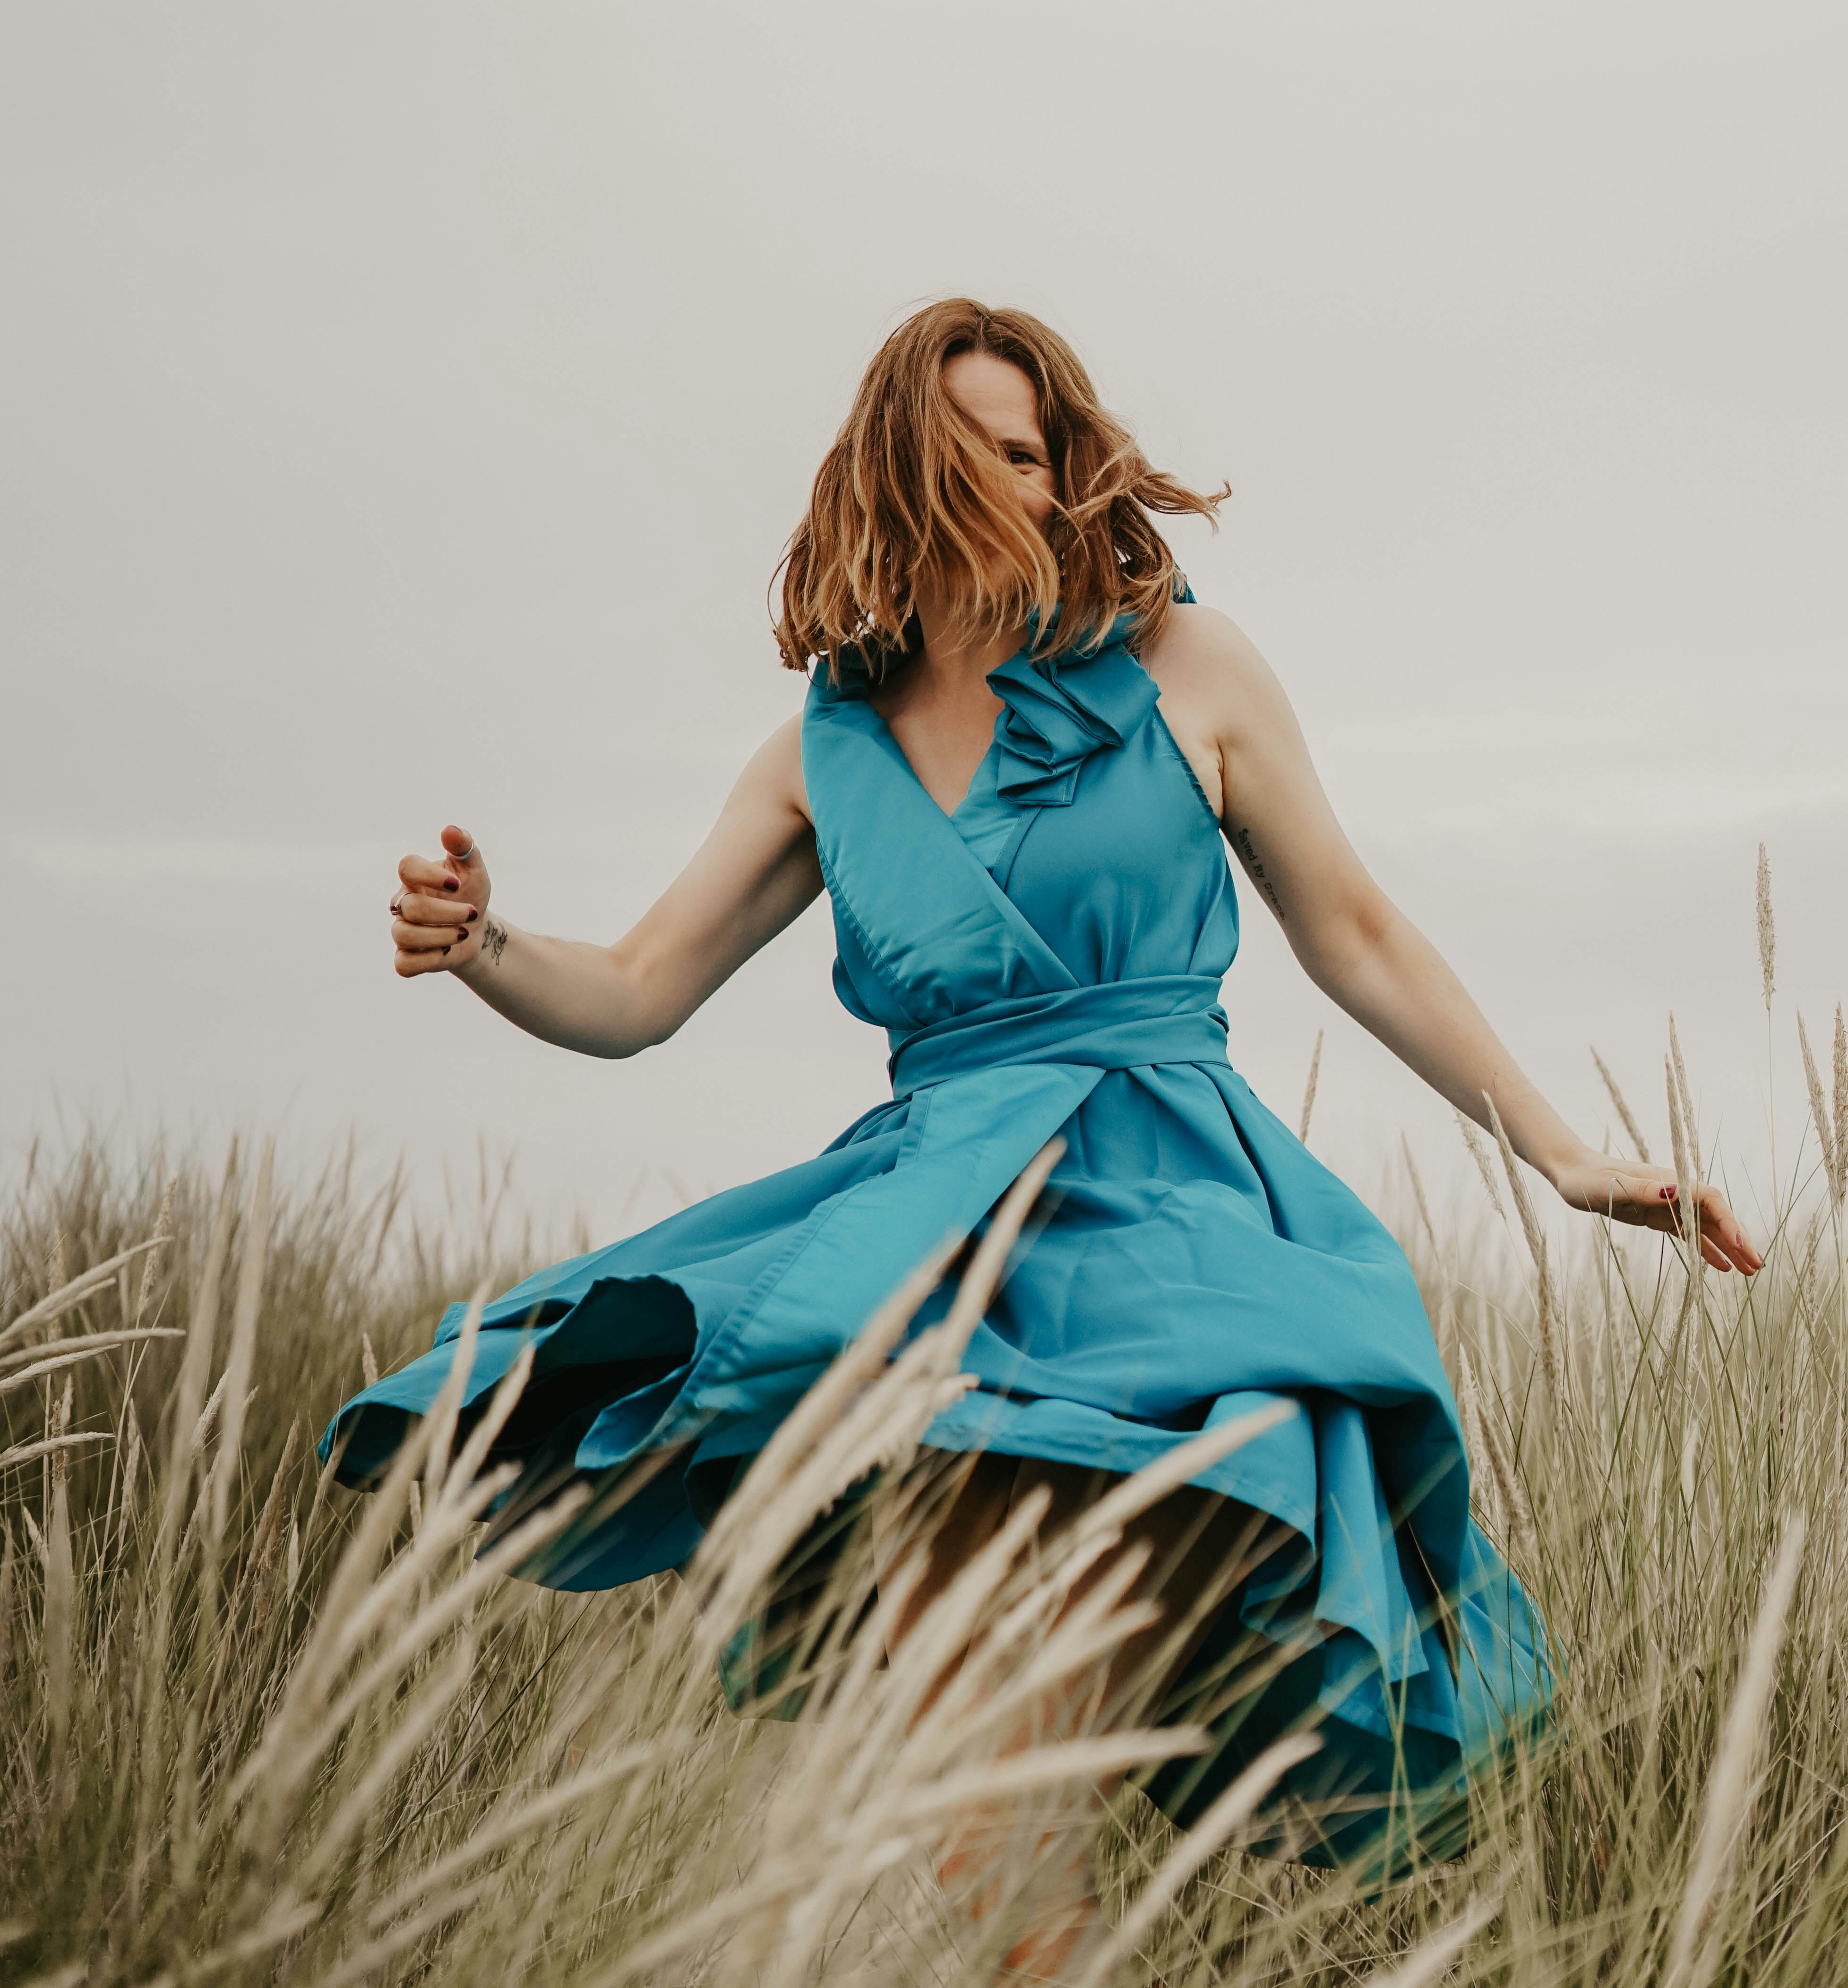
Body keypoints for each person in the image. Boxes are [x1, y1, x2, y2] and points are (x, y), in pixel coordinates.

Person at [326, 297, 1760, 1979]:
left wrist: (1563, 1153)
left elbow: (1357, 933)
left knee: (1047, 1717)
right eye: (977, 451)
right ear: (892, 470)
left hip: (1177, 1234)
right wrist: (486, 942)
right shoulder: (822, 755)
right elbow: (638, 991)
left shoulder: (1190, 672)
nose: (1016, 481)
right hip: (953, 1254)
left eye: (1034, 451)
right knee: (973, 1784)